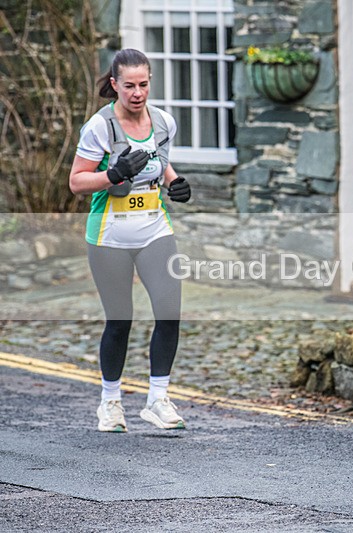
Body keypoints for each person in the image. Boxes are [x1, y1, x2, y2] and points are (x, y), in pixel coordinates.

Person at [69, 49, 192, 433]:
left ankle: (158, 399)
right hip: (110, 236)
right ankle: (110, 403)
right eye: (129, 86)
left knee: (169, 311)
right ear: (114, 85)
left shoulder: (164, 122)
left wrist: (174, 182)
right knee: (120, 320)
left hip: (155, 229)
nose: (137, 93)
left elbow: (158, 161)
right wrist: (112, 174)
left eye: (143, 84)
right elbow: (76, 182)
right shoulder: (100, 127)